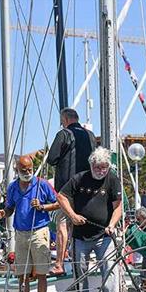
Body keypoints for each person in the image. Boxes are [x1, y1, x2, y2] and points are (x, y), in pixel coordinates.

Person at [57, 147, 123, 292]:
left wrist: (112, 225)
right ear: (91, 165)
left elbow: (118, 206)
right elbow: (61, 196)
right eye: (97, 167)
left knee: (109, 267)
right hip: (80, 236)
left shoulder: (112, 180)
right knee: (81, 271)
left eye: (104, 167)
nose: (101, 171)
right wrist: (72, 216)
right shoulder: (79, 179)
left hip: (104, 235)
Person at [0, 155, 59, 292]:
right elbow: (10, 208)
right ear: (17, 170)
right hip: (21, 233)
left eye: (30, 169)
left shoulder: (42, 184)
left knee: (42, 273)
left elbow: (59, 203)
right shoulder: (13, 187)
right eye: (24, 170)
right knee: (22, 274)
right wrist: (4, 213)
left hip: (39, 232)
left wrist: (43, 206)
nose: (27, 172)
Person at [46, 107, 96, 275]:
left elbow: (51, 159)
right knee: (81, 225)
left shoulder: (64, 134)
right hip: (88, 188)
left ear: (65, 119)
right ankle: (82, 263)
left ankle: (59, 263)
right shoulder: (90, 135)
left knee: (63, 223)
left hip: (67, 189)